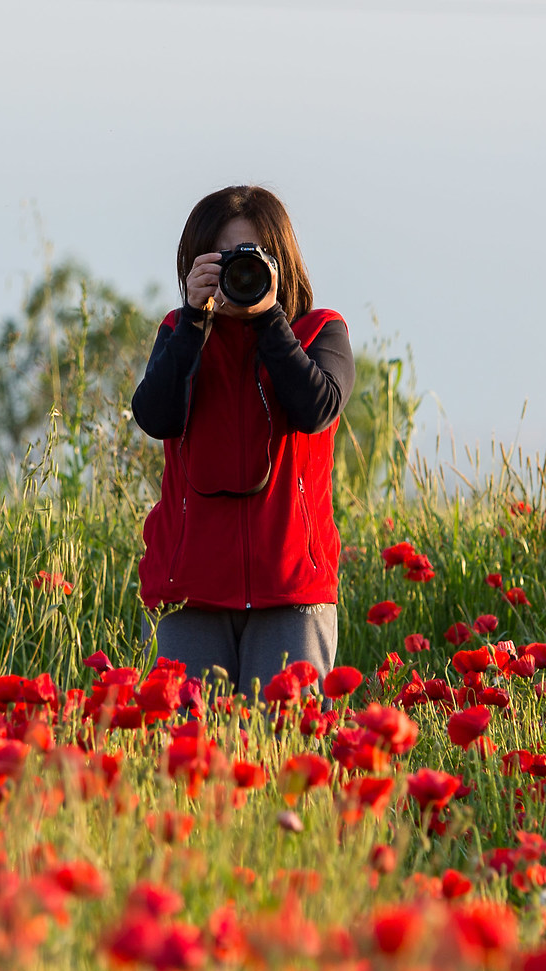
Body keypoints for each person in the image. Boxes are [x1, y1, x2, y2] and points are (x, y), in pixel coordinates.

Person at [129, 185, 355, 696]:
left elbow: (315, 409)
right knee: (187, 761)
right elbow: (155, 415)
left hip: (291, 592)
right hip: (187, 593)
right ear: (194, 264)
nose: (240, 270)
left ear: (284, 262)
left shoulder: (320, 332)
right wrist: (193, 322)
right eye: (224, 259)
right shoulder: (180, 333)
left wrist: (270, 321)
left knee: (287, 758)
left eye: (254, 258)